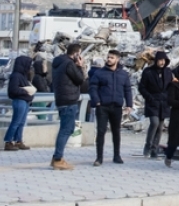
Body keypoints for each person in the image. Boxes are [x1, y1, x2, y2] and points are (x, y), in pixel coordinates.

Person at [89, 49, 133, 166]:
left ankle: (117, 156)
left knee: (116, 131)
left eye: (112, 58)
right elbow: (93, 87)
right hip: (102, 106)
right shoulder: (99, 73)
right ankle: (99, 158)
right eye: (108, 57)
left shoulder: (123, 74)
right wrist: (97, 101)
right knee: (101, 131)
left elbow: (127, 89)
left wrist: (129, 104)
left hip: (117, 107)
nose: (109, 59)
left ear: (117, 59)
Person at [50, 43, 88, 171]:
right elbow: (80, 80)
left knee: (67, 128)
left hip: (61, 98)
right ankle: (58, 159)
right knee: (66, 129)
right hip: (69, 99)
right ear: (77, 54)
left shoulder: (58, 62)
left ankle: (57, 156)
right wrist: (80, 66)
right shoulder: (69, 64)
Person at [138, 51, 173, 158]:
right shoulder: (148, 72)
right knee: (154, 123)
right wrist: (149, 97)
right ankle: (147, 146)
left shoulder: (168, 72)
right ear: (156, 61)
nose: (162, 63)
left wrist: (168, 97)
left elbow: (171, 86)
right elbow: (142, 87)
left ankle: (154, 149)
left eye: (164, 60)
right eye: (160, 60)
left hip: (164, 103)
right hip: (152, 101)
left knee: (160, 126)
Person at [5, 56, 36, 150]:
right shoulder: (16, 76)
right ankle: (8, 141)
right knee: (16, 122)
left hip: (25, 101)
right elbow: (13, 90)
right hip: (19, 100)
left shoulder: (23, 75)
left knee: (21, 122)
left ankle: (18, 140)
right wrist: (26, 91)